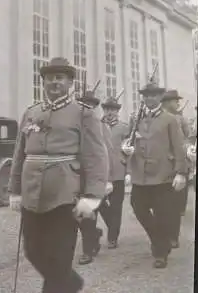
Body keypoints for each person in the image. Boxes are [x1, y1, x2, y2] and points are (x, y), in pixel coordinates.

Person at [8, 57, 108, 293]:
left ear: (70, 82)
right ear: (42, 82)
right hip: (32, 195)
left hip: (65, 195)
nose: (54, 82)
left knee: (60, 257)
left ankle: (62, 286)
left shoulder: (84, 113)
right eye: (49, 78)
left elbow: (96, 156)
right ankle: (71, 284)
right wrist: (15, 190)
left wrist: (92, 196)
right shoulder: (31, 112)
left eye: (60, 78)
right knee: (33, 252)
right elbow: (19, 153)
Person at [124, 82, 188, 269]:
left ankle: (160, 253)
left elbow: (178, 147)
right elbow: (128, 141)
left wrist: (181, 173)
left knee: (162, 215)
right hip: (140, 175)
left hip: (163, 175)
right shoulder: (137, 118)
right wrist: (126, 154)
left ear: (160, 97)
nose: (149, 98)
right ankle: (160, 239)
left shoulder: (170, 119)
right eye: (146, 95)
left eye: (153, 95)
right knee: (138, 207)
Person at [75, 89, 114, 265]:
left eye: (90, 105)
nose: (86, 108)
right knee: (77, 216)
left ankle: (87, 251)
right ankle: (95, 235)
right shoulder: (73, 124)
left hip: (95, 177)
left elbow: (107, 154)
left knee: (88, 214)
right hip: (75, 176)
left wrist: (108, 180)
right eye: (83, 105)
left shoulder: (101, 125)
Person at [160, 89, 191, 248]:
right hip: (158, 166)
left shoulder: (179, 119)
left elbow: (186, 139)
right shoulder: (156, 117)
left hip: (174, 164)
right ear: (166, 102)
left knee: (174, 203)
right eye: (175, 100)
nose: (178, 103)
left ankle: (173, 236)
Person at [100, 96, 131, 249]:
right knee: (99, 203)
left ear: (118, 111)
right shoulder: (96, 126)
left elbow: (130, 151)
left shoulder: (125, 128)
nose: (109, 112)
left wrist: (129, 171)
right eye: (106, 109)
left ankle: (113, 237)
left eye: (112, 109)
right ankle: (113, 226)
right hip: (101, 173)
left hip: (118, 172)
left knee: (116, 206)